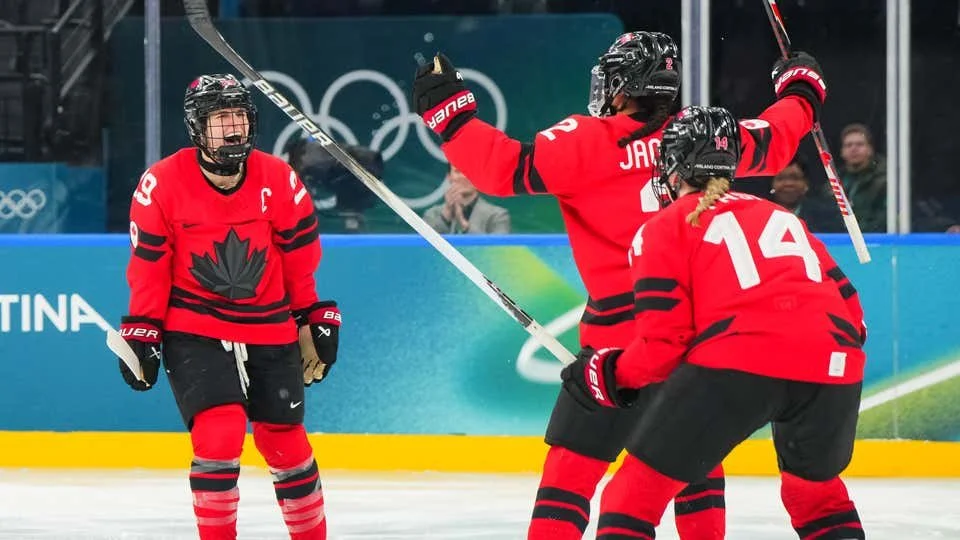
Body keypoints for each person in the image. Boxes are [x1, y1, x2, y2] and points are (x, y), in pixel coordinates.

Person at [411, 31, 828, 540]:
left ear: (625, 84)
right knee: (693, 468)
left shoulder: (585, 139)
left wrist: (449, 115)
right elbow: (776, 135)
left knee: (570, 476)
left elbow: (502, 169)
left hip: (613, 339)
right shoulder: (698, 138)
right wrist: (801, 88)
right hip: (694, 335)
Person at [561, 106, 866, 540]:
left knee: (629, 499)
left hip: (741, 361)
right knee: (817, 497)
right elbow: (852, 311)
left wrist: (606, 374)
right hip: (837, 364)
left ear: (673, 164)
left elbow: (661, 348)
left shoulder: (663, 226)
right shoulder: (780, 215)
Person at [116, 74, 340, 540]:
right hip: (194, 323)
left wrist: (312, 314)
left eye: (239, 116)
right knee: (220, 433)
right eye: (221, 119)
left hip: (269, 319)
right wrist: (143, 329)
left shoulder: (278, 178)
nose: (234, 128)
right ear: (198, 128)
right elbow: (149, 269)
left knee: (287, 444)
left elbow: (299, 261)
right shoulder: (160, 184)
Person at [423, 164, 511, 233]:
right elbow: (423, 250)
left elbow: (497, 250)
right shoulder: (432, 214)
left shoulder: (498, 216)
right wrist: (446, 216)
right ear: (449, 177)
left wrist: (464, 226)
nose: (464, 176)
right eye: (458, 171)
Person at [770, 155, 841, 232]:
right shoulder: (762, 215)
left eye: (795, 178)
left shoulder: (826, 215)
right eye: (781, 178)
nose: (788, 184)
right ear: (772, 183)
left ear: (806, 183)